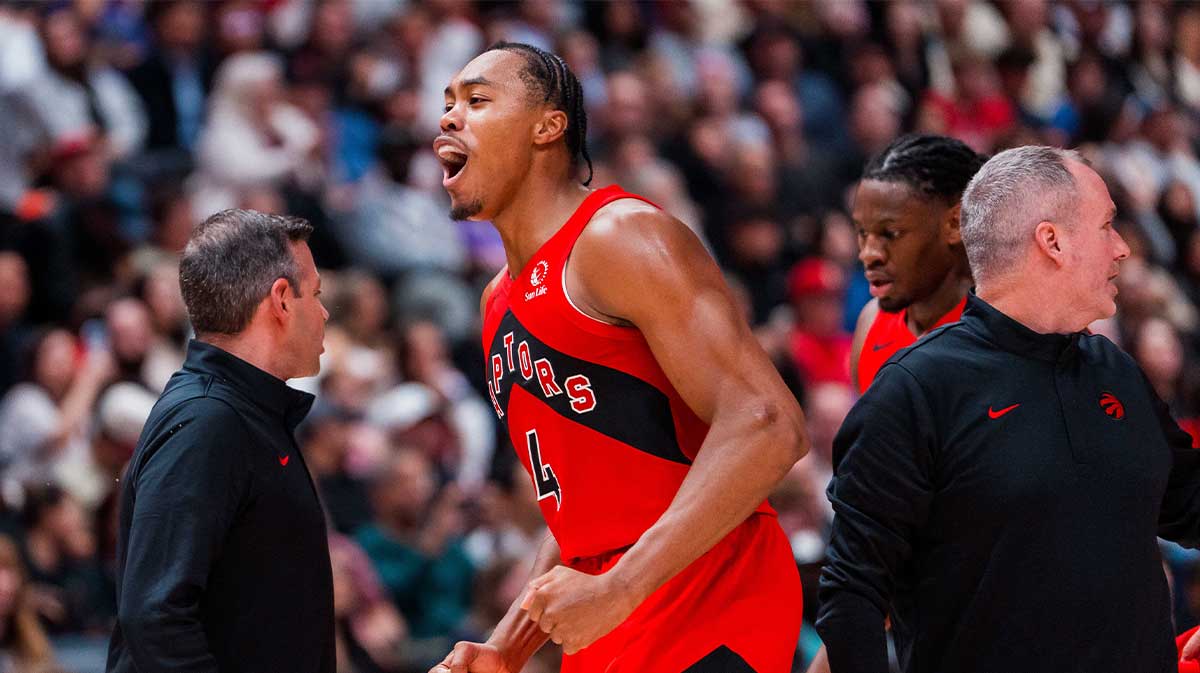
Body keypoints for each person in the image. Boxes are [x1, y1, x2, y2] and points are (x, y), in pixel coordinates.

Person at [430, 42, 808, 673]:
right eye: (446, 105)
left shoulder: (620, 235)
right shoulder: (496, 302)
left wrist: (624, 585)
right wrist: (507, 646)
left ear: (548, 126)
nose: (448, 117)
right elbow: (581, 509)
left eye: (476, 100)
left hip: (709, 603)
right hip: (611, 622)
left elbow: (768, 425)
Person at [815, 145, 1200, 672]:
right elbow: (852, 592)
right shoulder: (915, 390)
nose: (1122, 250)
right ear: (1052, 242)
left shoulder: (1115, 371)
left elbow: (1191, 502)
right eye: (1108, 226)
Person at [106, 209, 334, 673]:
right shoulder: (207, 422)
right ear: (282, 300)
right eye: (316, 294)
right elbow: (155, 616)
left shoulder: (240, 414)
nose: (325, 312)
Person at [850, 134, 987, 394]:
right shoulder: (871, 323)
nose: (868, 254)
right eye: (862, 232)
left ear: (954, 224)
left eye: (890, 234)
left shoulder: (1012, 330)